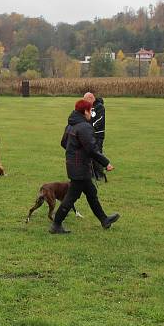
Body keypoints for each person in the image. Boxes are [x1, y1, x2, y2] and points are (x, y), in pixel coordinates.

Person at [50, 99, 120, 234]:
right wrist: (106, 163)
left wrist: (75, 151)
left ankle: (104, 220)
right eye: (90, 110)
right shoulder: (84, 127)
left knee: (91, 193)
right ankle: (56, 224)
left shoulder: (71, 125)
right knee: (71, 197)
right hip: (80, 168)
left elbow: (64, 142)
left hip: (73, 165)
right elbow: (92, 149)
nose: (91, 113)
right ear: (85, 111)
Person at [83, 92, 107, 182]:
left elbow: (100, 120)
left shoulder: (100, 107)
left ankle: (100, 174)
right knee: (89, 153)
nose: (85, 102)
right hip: (89, 134)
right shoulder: (87, 106)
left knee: (97, 153)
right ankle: (91, 174)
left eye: (86, 100)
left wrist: (90, 127)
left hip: (98, 134)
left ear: (91, 98)